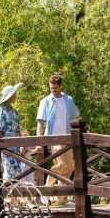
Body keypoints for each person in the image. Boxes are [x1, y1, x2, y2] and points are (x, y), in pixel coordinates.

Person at [36, 74, 80, 203]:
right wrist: (39, 142)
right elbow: (40, 122)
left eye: (55, 88)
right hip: (53, 139)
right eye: (51, 88)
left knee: (70, 166)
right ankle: (46, 189)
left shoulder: (69, 100)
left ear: (61, 86)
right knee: (61, 164)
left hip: (68, 138)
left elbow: (75, 118)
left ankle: (62, 197)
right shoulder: (45, 101)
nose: (53, 90)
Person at [0, 82, 25, 180]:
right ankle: (9, 191)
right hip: (6, 144)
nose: (16, 96)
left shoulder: (14, 111)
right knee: (10, 169)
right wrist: (1, 146)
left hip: (16, 144)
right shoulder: (0, 111)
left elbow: (18, 129)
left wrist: (23, 143)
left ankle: (14, 194)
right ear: (10, 96)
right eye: (14, 94)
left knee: (18, 169)